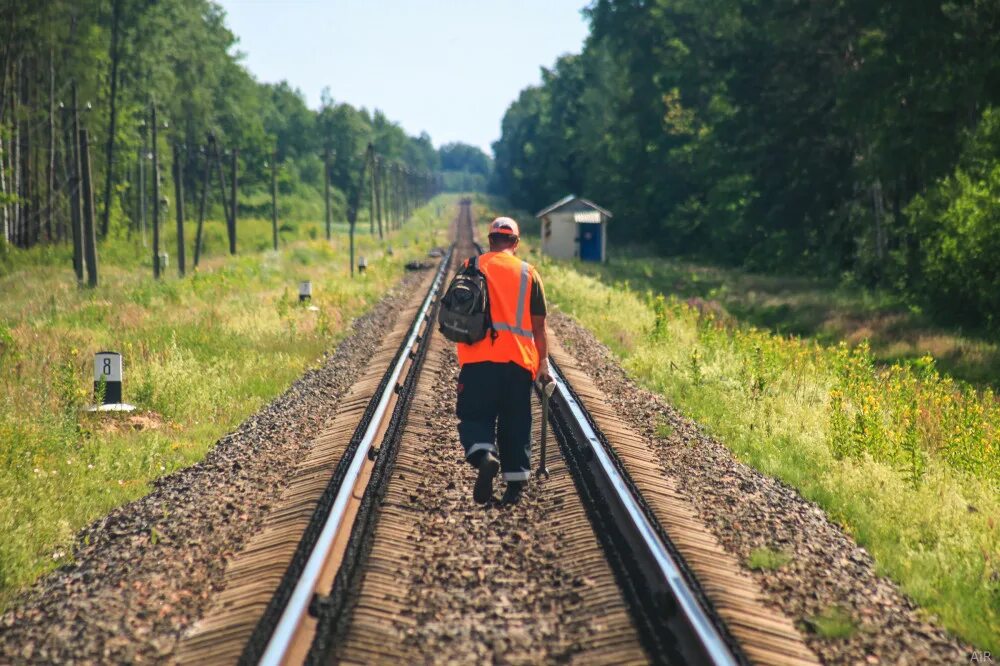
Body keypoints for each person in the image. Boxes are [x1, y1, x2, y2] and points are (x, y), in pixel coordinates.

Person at [455, 216, 551, 505]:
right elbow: (539, 326)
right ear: (516, 243)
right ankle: (514, 487)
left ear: (490, 240)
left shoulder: (470, 266)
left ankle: (485, 456)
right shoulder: (528, 273)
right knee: (516, 423)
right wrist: (543, 363)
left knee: (475, 416)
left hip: (476, 361)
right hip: (518, 363)